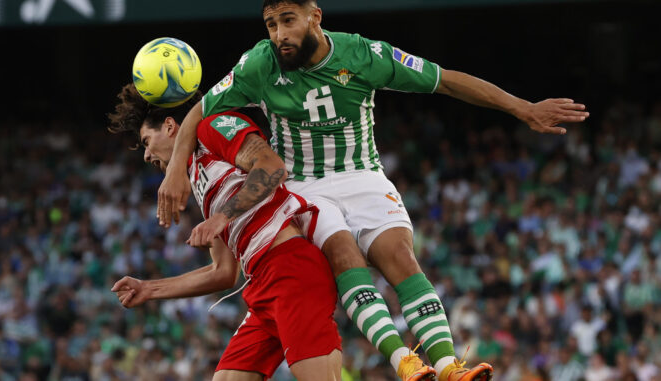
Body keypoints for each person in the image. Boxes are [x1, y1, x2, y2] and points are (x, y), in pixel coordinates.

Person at [156, 1, 590, 380]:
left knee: (399, 256)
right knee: (345, 252)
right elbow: (200, 108)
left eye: (288, 21)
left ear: (315, 17)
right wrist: (175, 170)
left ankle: (449, 366)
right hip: (305, 186)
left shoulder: (363, 54)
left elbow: (445, 80)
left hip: (362, 174)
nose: (280, 35)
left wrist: (522, 107)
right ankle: (405, 361)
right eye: (271, 25)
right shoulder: (258, 64)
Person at [106, 83, 347, 381]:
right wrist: (149, 289)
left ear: (170, 126)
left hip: (291, 270)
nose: (146, 155)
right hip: (261, 288)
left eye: (146, 141)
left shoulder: (211, 127)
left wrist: (221, 217)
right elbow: (222, 272)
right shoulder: (200, 180)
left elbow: (272, 167)